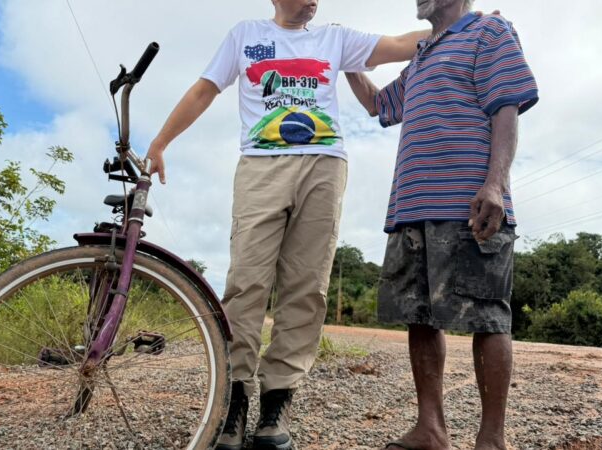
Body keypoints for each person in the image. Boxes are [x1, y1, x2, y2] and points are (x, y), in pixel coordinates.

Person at [145, 1, 431, 448]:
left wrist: (459, 24)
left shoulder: (335, 38)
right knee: (246, 283)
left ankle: (275, 406)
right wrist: (161, 141)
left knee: (306, 287)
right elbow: (204, 89)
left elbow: (399, 44)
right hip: (261, 165)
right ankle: (233, 401)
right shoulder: (245, 35)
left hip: (324, 165)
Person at [345, 0, 538, 449]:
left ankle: (491, 440)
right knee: (419, 316)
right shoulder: (421, 55)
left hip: (468, 202)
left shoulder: (489, 32)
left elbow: (506, 109)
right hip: (411, 206)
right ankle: (430, 429)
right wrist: (347, 60)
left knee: (488, 317)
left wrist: (495, 184)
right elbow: (378, 105)